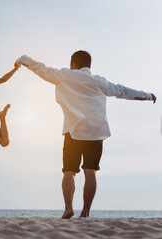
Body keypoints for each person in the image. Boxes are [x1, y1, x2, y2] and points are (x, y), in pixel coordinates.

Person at [15, 50, 157, 219]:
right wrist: (147, 96)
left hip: (73, 131)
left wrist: (23, 59)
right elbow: (122, 91)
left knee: (69, 171)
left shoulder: (64, 75)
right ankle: (85, 212)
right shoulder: (99, 81)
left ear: (73, 64)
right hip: (96, 133)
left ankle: (68, 208)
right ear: (89, 65)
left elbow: (41, 69)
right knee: (90, 172)